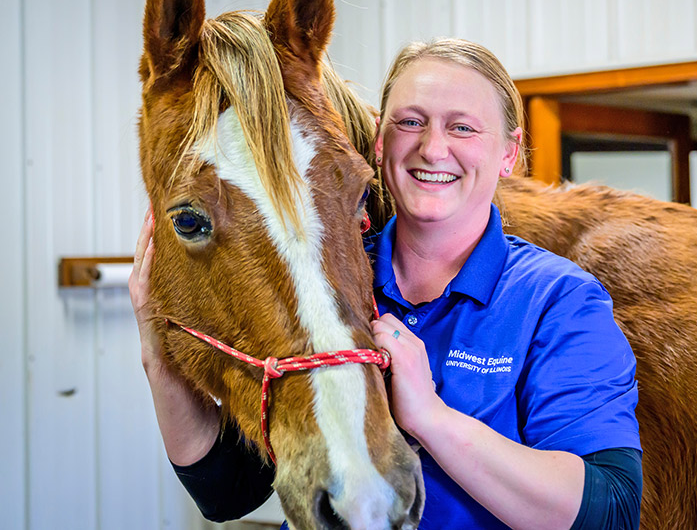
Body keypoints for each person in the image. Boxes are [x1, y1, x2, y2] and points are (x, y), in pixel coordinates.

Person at [131, 38, 642, 529]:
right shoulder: (323, 274)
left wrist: (432, 419)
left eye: (463, 128)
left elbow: (608, 510)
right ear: (379, 141)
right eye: (411, 122)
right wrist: (157, 348)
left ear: (508, 153)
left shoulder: (558, 300)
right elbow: (229, 492)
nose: (432, 147)